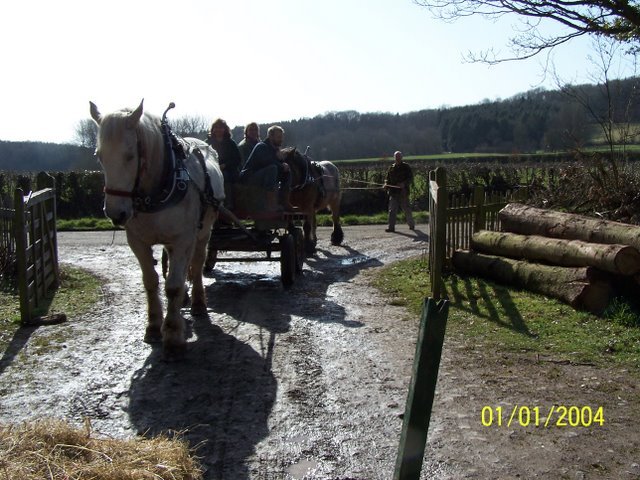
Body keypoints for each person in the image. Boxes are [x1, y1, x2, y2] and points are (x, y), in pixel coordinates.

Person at [238, 125, 296, 211]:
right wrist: (280, 164)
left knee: (287, 170)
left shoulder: (275, 150)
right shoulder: (261, 146)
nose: (281, 139)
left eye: (281, 137)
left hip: (263, 177)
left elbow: (276, 164)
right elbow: (266, 161)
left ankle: (284, 200)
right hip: (249, 177)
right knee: (272, 168)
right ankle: (271, 204)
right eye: (278, 137)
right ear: (270, 136)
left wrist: (283, 163)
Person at [206, 118, 242, 210]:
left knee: (224, 176)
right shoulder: (207, 143)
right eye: (216, 127)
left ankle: (228, 203)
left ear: (225, 129)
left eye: (221, 127)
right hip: (211, 170)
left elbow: (237, 159)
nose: (218, 130)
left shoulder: (231, 143)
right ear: (213, 129)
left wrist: (225, 165)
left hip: (229, 171)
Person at [383, 150, 415, 232]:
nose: (397, 158)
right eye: (396, 157)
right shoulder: (391, 168)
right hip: (393, 193)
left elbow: (410, 178)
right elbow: (387, 179)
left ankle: (411, 225)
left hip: (403, 193)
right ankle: (391, 227)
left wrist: (404, 183)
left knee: (406, 209)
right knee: (392, 210)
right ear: (394, 158)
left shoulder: (406, 167)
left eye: (399, 157)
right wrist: (386, 184)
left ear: (401, 157)